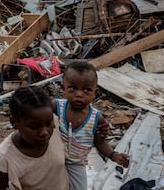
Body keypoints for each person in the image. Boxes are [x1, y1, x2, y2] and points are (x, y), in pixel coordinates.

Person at [55, 61, 130, 190]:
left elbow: (99, 142)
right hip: (53, 161)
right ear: (63, 89)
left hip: (76, 164)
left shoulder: (96, 118)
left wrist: (113, 155)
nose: (79, 94)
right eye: (73, 88)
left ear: (95, 92)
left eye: (86, 90)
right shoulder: (56, 107)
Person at [0, 85, 69, 190]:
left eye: (48, 124)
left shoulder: (56, 125)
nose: (44, 132)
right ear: (14, 123)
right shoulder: (4, 159)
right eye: (34, 127)